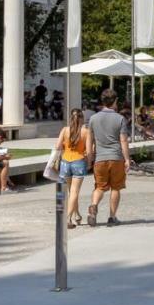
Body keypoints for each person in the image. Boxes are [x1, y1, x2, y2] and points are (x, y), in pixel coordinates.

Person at [87, 90, 129, 226]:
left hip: (100, 158)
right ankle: (112, 217)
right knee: (115, 188)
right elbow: (123, 140)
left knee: (99, 187)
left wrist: (89, 158)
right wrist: (127, 158)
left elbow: (89, 141)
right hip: (116, 157)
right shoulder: (120, 118)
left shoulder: (93, 118)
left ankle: (93, 206)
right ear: (115, 101)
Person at [58, 108, 93, 229]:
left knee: (70, 192)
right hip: (78, 161)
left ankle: (77, 215)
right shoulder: (86, 132)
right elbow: (89, 151)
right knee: (74, 192)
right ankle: (67, 218)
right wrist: (89, 163)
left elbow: (57, 146)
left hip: (65, 161)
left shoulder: (65, 130)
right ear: (82, 118)